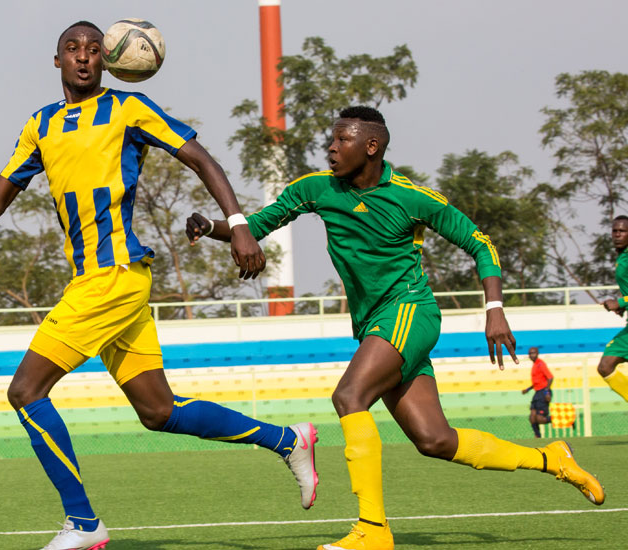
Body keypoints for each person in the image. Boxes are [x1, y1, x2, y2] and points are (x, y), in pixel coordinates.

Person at [0, 21, 318, 550]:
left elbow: (201, 157)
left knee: (25, 391)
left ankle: (83, 523)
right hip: (99, 280)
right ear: (56, 61)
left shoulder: (130, 109)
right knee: (159, 412)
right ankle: (288, 441)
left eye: (94, 49)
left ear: (107, 60)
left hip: (115, 277)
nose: (83, 57)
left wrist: (238, 225)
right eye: (72, 49)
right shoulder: (41, 125)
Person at [186, 106, 605, 550]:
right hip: (375, 324)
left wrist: (495, 308)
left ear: (371, 146)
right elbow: (257, 227)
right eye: (331, 139)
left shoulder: (413, 197)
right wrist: (213, 226)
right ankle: (551, 459)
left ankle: (372, 529)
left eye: (341, 140)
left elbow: (480, 243)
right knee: (435, 440)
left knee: (349, 396)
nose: (330, 147)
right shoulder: (314, 189)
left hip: (409, 310)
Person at [598, 215, 628, 403]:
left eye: (622, 231)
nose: (617, 234)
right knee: (606, 366)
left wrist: (621, 302)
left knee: (606, 365)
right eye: (614, 231)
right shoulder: (622, 256)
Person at [521, 347, 553, 437]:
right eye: (530, 353)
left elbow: (550, 378)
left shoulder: (540, 364)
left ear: (537, 353)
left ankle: (559, 419)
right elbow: (537, 382)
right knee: (532, 417)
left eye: (533, 353)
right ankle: (537, 436)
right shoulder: (535, 365)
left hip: (543, 392)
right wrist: (527, 389)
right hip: (537, 392)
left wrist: (547, 392)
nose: (532, 355)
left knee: (540, 419)